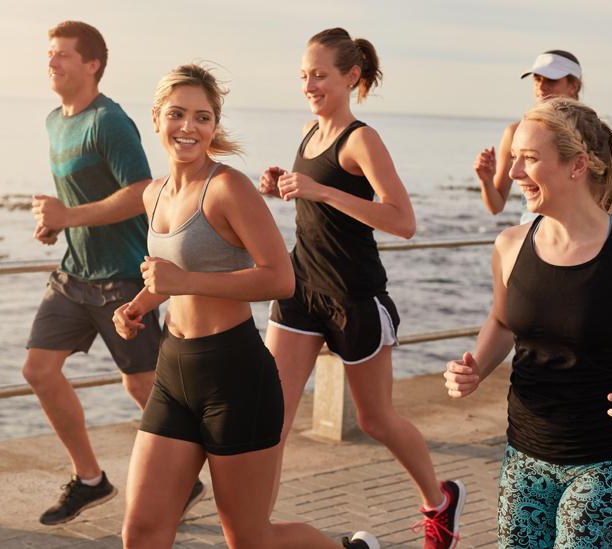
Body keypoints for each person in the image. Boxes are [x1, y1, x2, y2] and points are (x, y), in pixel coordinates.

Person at [114, 64, 377, 549]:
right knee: (143, 530)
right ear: (155, 119)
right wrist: (138, 304)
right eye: (177, 114)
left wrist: (182, 280)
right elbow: (168, 277)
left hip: (235, 376)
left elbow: (281, 278)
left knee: (250, 538)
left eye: (202, 117)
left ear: (214, 126)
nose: (188, 127)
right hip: (173, 370)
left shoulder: (227, 188)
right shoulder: (154, 194)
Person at [445, 98, 612, 547]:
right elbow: (503, 321)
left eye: (529, 159)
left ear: (577, 165)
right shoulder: (509, 245)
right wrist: (475, 368)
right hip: (524, 457)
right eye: (515, 158)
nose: (513, 173)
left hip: (609, 463)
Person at [259, 28, 464, 549]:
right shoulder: (310, 133)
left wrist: (320, 189)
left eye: (320, 75)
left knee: (375, 419)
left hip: (354, 298)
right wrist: (285, 184)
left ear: (350, 77)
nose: (310, 84)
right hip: (300, 290)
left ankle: (438, 502)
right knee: (271, 419)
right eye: (304, 75)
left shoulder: (361, 139)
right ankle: (254, 527)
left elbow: (403, 220)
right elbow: (318, 209)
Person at [24, 21, 204, 525]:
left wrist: (69, 216)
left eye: (62, 55)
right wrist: (54, 225)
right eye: (50, 54)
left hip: (123, 276)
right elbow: (79, 198)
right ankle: (90, 480)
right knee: (38, 370)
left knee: (145, 388)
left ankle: (186, 479)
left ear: (92, 65)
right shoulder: (54, 121)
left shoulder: (110, 122)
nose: (52, 62)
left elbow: (142, 191)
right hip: (73, 273)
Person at [473, 50, 612, 227]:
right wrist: (486, 180)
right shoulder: (516, 133)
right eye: (537, 79)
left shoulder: (592, 132)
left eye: (551, 80)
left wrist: (589, 214)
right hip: (532, 237)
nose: (541, 86)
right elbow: (495, 207)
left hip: (581, 241)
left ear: (574, 86)